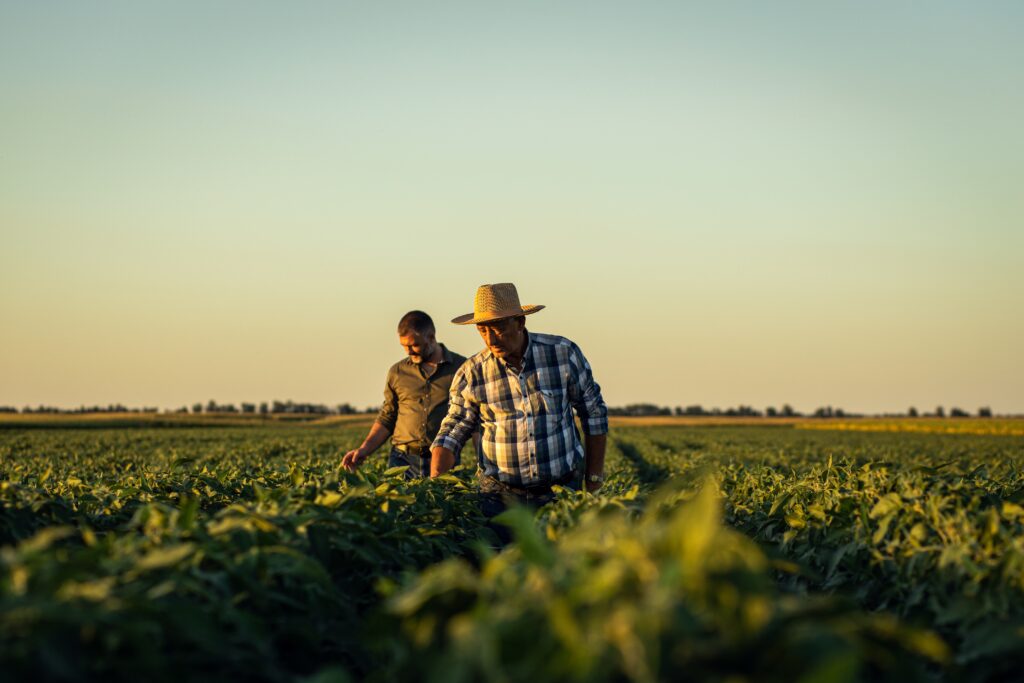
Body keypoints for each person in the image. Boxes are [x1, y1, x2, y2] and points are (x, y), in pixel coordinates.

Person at [430, 283, 608, 541]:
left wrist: (593, 479)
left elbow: (594, 414)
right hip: (498, 497)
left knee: (559, 569)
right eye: (483, 330)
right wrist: (437, 483)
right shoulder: (472, 373)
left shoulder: (562, 353)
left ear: (520, 322)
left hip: (559, 492)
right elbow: (452, 431)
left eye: (499, 327)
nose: (491, 338)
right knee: (501, 569)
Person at [341, 310, 474, 479]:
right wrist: (363, 450)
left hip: (444, 458)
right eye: (404, 346)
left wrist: (482, 462)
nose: (409, 351)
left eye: (414, 345)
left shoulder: (461, 368)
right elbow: (387, 417)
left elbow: (473, 419)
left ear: (431, 337)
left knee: (445, 504)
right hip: (402, 460)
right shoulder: (397, 372)